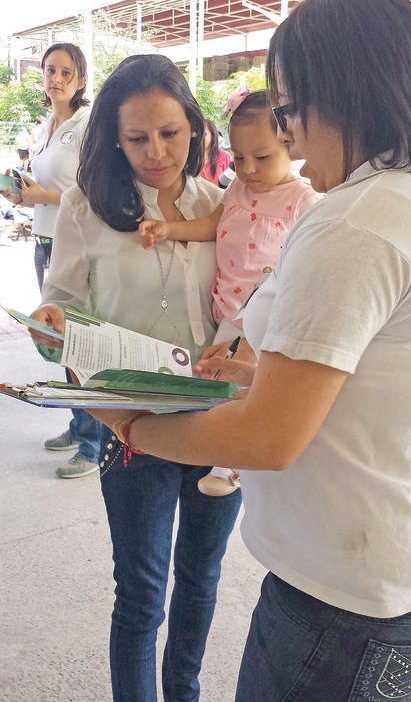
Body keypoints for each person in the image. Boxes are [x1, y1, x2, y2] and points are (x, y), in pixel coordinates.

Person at [85, 0, 411, 702]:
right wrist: (242, 371)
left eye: (292, 110)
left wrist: (130, 422)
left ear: (344, 92)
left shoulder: (354, 220)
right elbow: (350, 371)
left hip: (349, 604)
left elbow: (267, 438)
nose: (287, 136)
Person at [28, 53, 242, 702]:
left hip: (217, 425)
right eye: (138, 137)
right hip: (132, 426)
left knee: (202, 581)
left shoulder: (223, 205)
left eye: (171, 133)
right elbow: (62, 305)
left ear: (195, 128)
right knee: (142, 592)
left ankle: (185, 690)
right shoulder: (85, 207)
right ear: (113, 140)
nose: (157, 151)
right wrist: (50, 322)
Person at [140, 88, 320, 495]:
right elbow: (210, 226)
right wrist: (170, 230)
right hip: (228, 309)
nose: (248, 169)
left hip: (267, 313)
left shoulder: (304, 201)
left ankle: (227, 468)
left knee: (243, 382)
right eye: (238, 158)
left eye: (262, 157)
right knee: (218, 375)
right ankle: (221, 451)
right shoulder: (236, 189)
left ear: (291, 147)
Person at [4, 42, 101, 479]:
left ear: (81, 80)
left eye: (66, 71)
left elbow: (93, 192)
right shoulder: (47, 126)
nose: (56, 78)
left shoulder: (86, 125)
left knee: (80, 341)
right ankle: (79, 422)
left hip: (75, 243)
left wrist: (41, 196)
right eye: (49, 70)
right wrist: (21, 194)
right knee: (58, 336)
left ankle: (94, 441)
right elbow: (44, 188)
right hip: (44, 239)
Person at [200, 118, 231, 185]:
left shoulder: (224, 156)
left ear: (212, 135)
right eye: (198, 135)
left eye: (204, 134)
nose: (200, 138)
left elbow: (232, 185)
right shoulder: (191, 160)